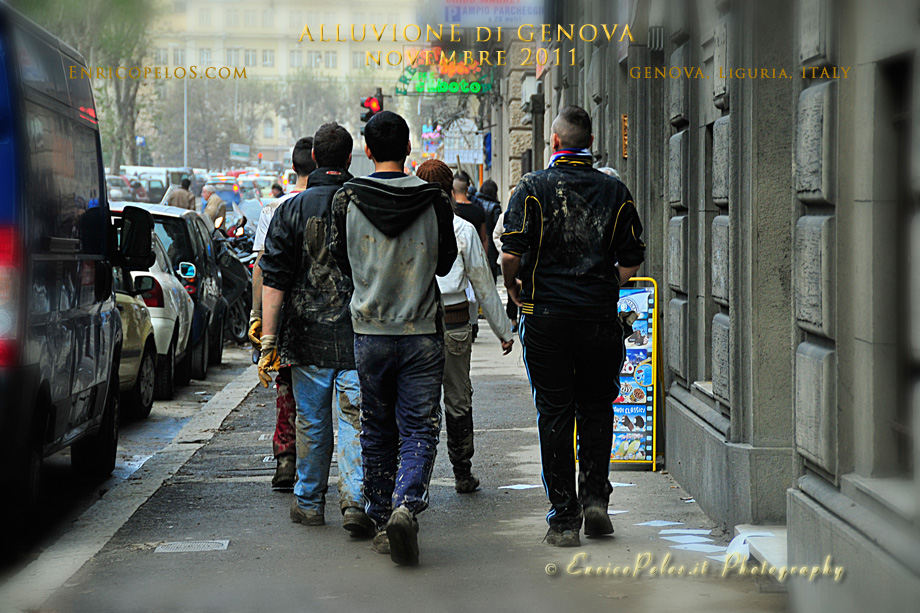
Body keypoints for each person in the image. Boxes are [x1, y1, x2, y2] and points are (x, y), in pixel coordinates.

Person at [501, 105, 645, 548]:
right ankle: (596, 500)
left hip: (547, 320)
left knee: (555, 413)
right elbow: (631, 259)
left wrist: (514, 289)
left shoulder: (533, 187)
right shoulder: (615, 190)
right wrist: (604, 286)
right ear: (591, 143)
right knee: (598, 408)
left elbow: (510, 254)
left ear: (555, 142)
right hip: (599, 319)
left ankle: (565, 520)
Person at [330, 110, 457, 566]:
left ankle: (383, 519)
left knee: (377, 426)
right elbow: (445, 263)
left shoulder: (346, 198)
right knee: (419, 426)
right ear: (407, 149)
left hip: (369, 332)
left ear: (367, 151)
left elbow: (340, 260)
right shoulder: (434, 199)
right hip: (421, 331)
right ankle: (406, 505)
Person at [258, 124, 374, 538]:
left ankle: (309, 502)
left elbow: (274, 280)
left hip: (306, 339)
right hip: (359, 335)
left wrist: (268, 341)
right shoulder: (365, 202)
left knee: (311, 422)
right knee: (356, 420)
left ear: (314, 158)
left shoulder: (290, 209)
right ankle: (355, 500)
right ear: (349, 158)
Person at [416, 159, 514, 493]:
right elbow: (483, 284)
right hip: (455, 324)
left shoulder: (407, 226)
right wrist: (503, 331)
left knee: (419, 403)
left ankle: (415, 479)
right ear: (450, 189)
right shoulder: (462, 229)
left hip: (416, 326)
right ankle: (462, 472)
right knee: (458, 399)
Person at [248, 137, 315, 490]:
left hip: (285, 314)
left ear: (293, 167)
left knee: (285, 385)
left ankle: (286, 460)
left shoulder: (274, 209)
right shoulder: (333, 202)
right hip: (326, 313)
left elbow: (261, 269)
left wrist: (257, 316)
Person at [451, 172, 489, 255]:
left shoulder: (451, 210)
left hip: (455, 255)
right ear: (467, 189)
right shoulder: (478, 210)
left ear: (452, 191)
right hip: (475, 254)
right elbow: (483, 238)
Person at [474, 179, 502, 280]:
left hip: (477, 244)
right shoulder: (495, 207)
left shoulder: (475, 203)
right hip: (491, 248)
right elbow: (498, 228)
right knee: (491, 277)